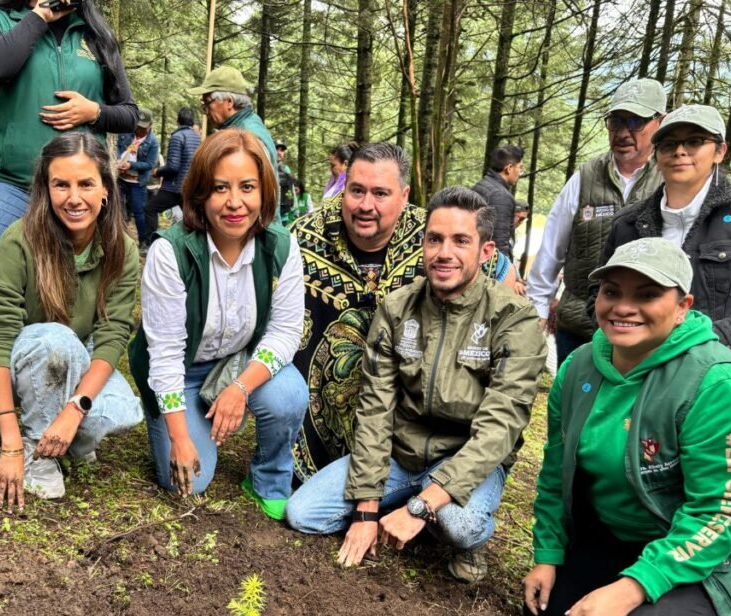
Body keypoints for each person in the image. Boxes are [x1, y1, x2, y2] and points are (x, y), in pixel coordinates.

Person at [524, 238, 731, 616]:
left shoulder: (718, 384)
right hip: (641, 527)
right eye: (612, 292)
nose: (624, 307)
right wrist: (548, 554)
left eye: (647, 295)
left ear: (683, 306)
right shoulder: (579, 366)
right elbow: (555, 473)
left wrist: (632, 588)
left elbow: (721, 512)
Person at [287, 186, 547, 582]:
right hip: (400, 454)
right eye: (434, 239)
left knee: (459, 523)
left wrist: (421, 507)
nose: (444, 252)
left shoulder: (514, 318)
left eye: (461, 241)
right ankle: (411, 500)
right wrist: (366, 509)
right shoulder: (397, 308)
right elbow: (375, 410)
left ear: (486, 252)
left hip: (465, 457)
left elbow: (500, 428)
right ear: (423, 244)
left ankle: (457, 533)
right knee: (303, 514)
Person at [128, 129, 308, 520]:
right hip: (182, 372)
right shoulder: (170, 252)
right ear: (200, 194)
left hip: (239, 362)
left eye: (247, 187)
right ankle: (173, 419)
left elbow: (286, 331)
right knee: (192, 481)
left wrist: (239, 389)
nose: (235, 203)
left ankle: (268, 478)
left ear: (264, 192)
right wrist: (179, 438)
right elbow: (165, 353)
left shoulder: (280, 246)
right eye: (220, 188)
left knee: (289, 394)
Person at [0, 132, 143, 508]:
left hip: (72, 354)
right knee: (57, 341)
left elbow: (113, 333)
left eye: (86, 184)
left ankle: (64, 433)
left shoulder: (122, 249)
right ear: (45, 189)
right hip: (10, 359)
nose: (74, 197)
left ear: (105, 190)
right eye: (61, 184)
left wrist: (75, 408)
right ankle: (38, 453)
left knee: (119, 412)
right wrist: (11, 443)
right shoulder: (20, 241)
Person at [0, 0, 138, 317]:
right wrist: (39, 17)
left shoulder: (95, 33)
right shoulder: (0, 18)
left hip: (78, 192)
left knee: (70, 297)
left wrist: (95, 112)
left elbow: (129, 114)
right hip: (13, 184)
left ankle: (54, 359)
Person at [598, 104, 731, 375]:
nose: (680, 151)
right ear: (656, 155)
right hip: (641, 372)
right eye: (668, 144)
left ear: (719, 151)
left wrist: (713, 336)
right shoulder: (628, 223)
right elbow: (600, 293)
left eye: (695, 141)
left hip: (727, 372)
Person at [290, 142, 425, 482]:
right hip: (313, 430)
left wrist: (504, 272)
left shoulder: (431, 237)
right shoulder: (303, 239)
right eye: (357, 191)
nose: (366, 205)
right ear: (343, 186)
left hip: (403, 431)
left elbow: (488, 262)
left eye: (381, 193)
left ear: (404, 194)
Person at [527, 78, 666, 365]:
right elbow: (552, 249)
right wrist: (538, 309)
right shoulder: (586, 177)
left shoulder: (669, 181)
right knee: (571, 407)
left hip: (645, 337)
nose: (623, 132)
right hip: (579, 328)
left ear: (660, 122)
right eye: (615, 122)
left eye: (635, 121)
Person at [187, 66, 276, 179]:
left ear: (229, 102)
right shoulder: (251, 122)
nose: (206, 112)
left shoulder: (246, 137)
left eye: (207, 103)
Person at [146, 107, 201, 241]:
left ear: (178, 120)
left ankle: (149, 243)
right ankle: (191, 244)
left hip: (175, 187)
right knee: (190, 218)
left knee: (150, 209)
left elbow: (173, 166)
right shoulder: (197, 138)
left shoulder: (177, 136)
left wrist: (157, 172)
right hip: (190, 186)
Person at [472, 143, 524, 259]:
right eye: (520, 167)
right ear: (509, 168)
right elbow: (499, 244)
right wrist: (504, 273)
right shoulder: (501, 196)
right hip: (487, 266)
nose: (520, 173)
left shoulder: (481, 185)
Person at [116, 108, 159, 244]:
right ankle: (119, 239)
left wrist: (131, 165)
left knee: (138, 211)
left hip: (137, 182)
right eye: (138, 126)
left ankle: (143, 241)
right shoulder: (127, 133)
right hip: (121, 179)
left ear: (150, 125)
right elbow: (117, 147)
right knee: (118, 209)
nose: (139, 129)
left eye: (143, 127)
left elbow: (150, 164)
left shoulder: (152, 142)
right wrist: (118, 160)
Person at [276, 140, 296, 220]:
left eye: (282, 150)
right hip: (268, 215)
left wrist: (295, 211)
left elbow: (291, 190)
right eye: (277, 149)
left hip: (283, 215)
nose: (279, 152)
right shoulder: (265, 167)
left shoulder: (286, 169)